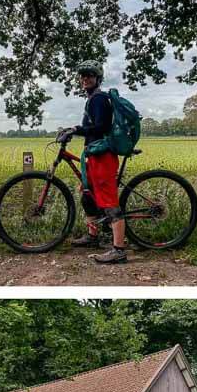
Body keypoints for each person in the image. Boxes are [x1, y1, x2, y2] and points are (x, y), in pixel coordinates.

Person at [60, 60, 128, 264]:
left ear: (98, 78)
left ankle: (119, 250)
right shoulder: (92, 99)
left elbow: (101, 128)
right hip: (93, 154)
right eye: (82, 76)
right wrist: (74, 131)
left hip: (103, 157)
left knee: (109, 203)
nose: (85, 78)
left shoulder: (98, 99)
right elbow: (90, 128)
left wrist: (77, 130)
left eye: (89, 75)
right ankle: (92, 236)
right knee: (88, 196)